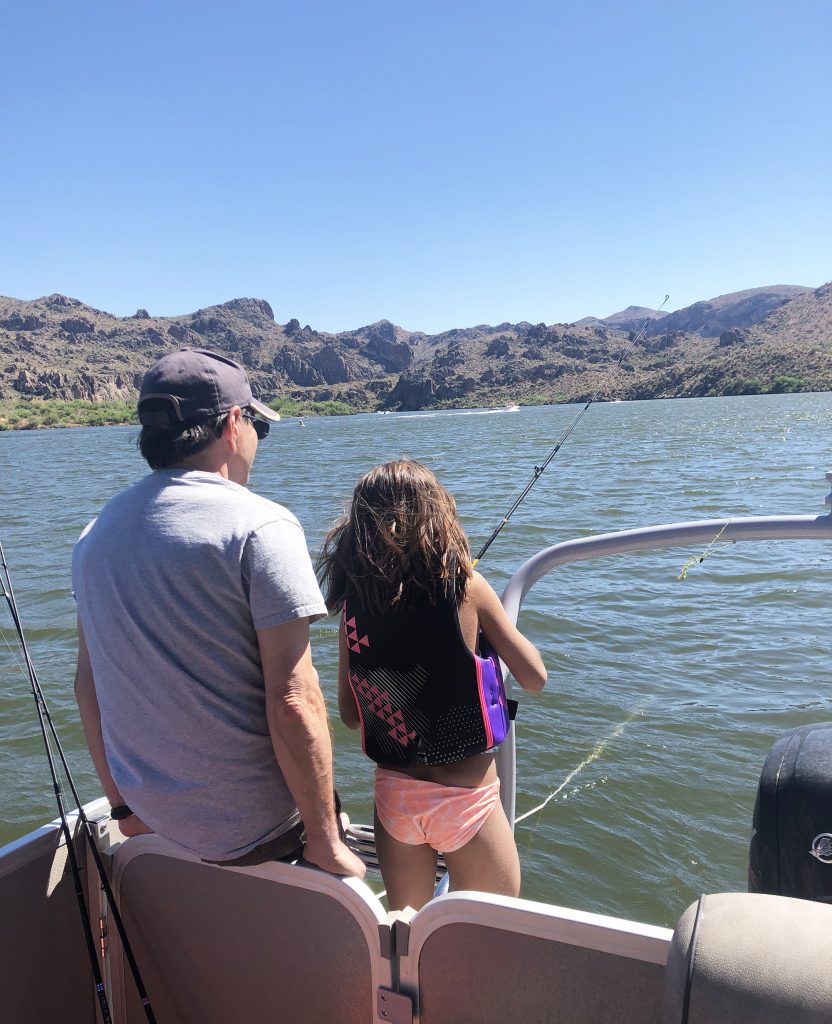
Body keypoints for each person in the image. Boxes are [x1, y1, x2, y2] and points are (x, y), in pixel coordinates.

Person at [72, 348, 364, 877]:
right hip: (255, 833)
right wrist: (325, 840)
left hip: (150, 819)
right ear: (233, 424)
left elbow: (86, 685)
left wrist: (122, 807)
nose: (257, 441)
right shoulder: (261, 526)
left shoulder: (94, 536)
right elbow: (293, 699)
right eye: (258, 427)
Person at [318, 460, 546, 909]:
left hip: (396, 799)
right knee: (489, 932)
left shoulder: (353, 608)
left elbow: (349, 714)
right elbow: (535, 678)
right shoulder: (467, 587)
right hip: (467, 803)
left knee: (407, 933)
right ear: (439, 515)